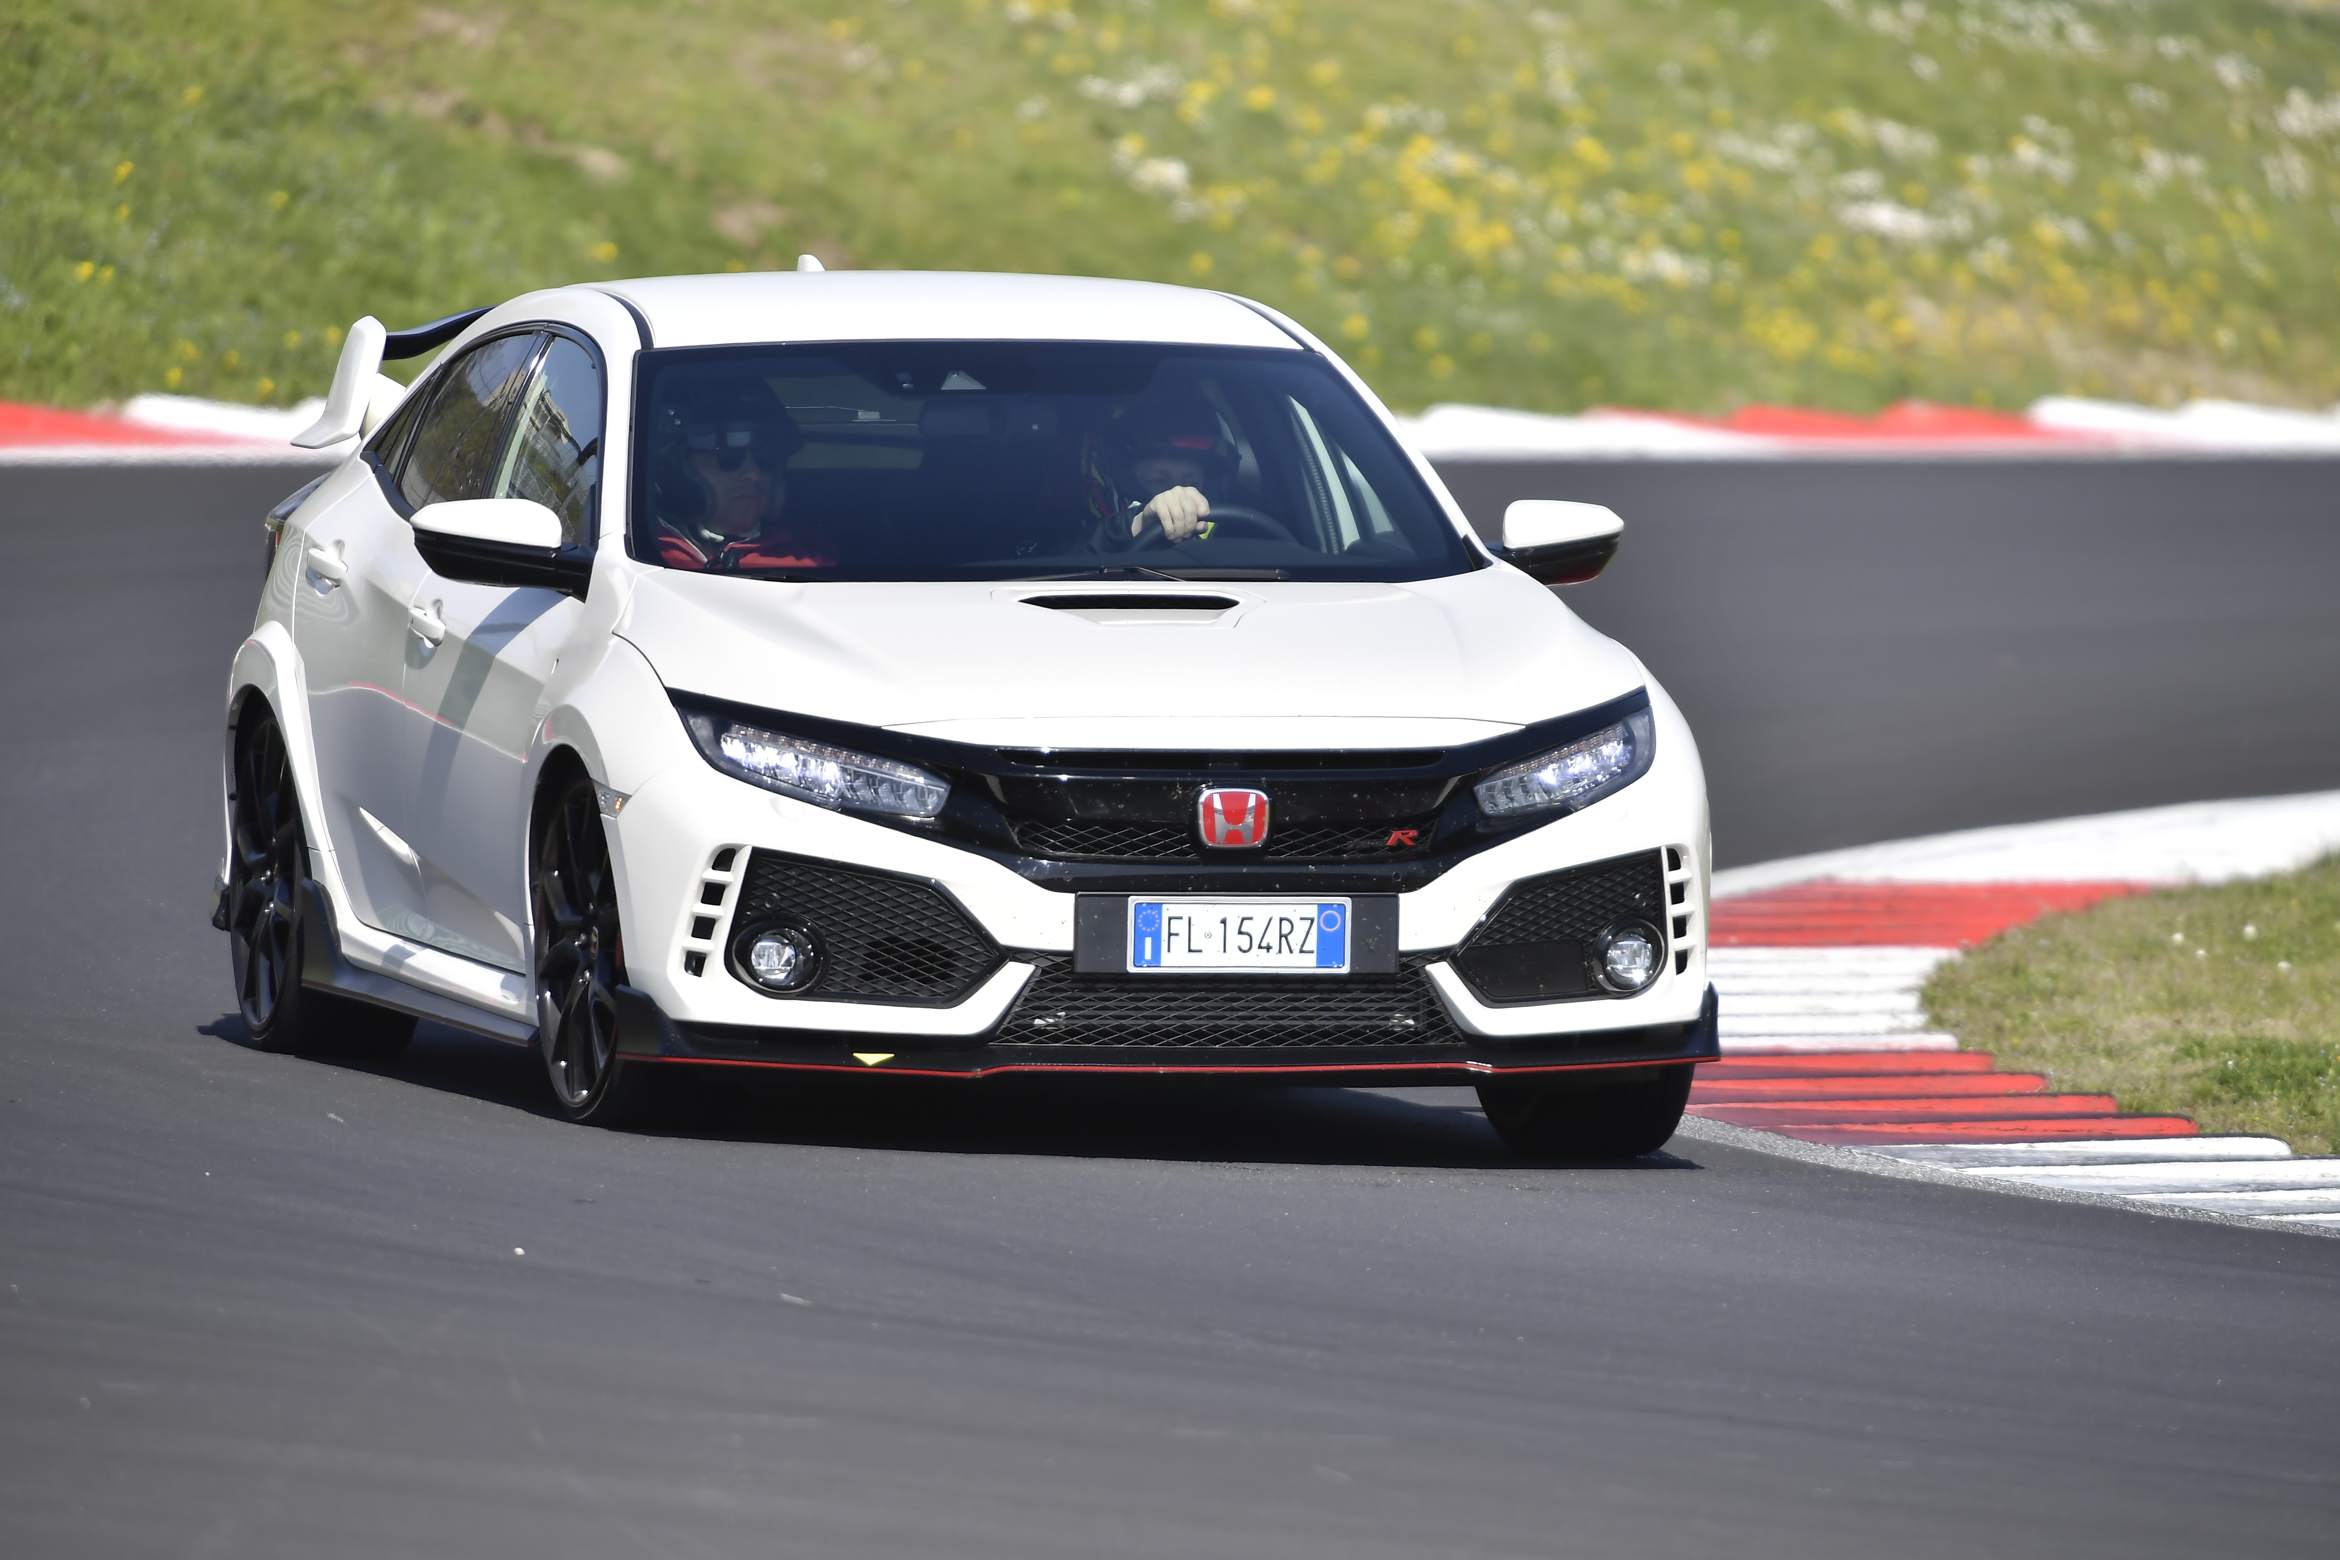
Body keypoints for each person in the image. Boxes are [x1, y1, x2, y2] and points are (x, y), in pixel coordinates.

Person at [647, 377, 834, 571]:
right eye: (729, 457)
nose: (754, 474)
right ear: (678, 469)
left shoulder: (809, 561)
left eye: (766, 458)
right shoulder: (642, 551)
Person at [1109, 392, 1241, 545]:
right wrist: (1138, 524)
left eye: (1191, 483)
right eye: (1159, 480)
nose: (1178, 491)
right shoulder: (1101, 534)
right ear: (1130, 483)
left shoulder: (1234, 531)